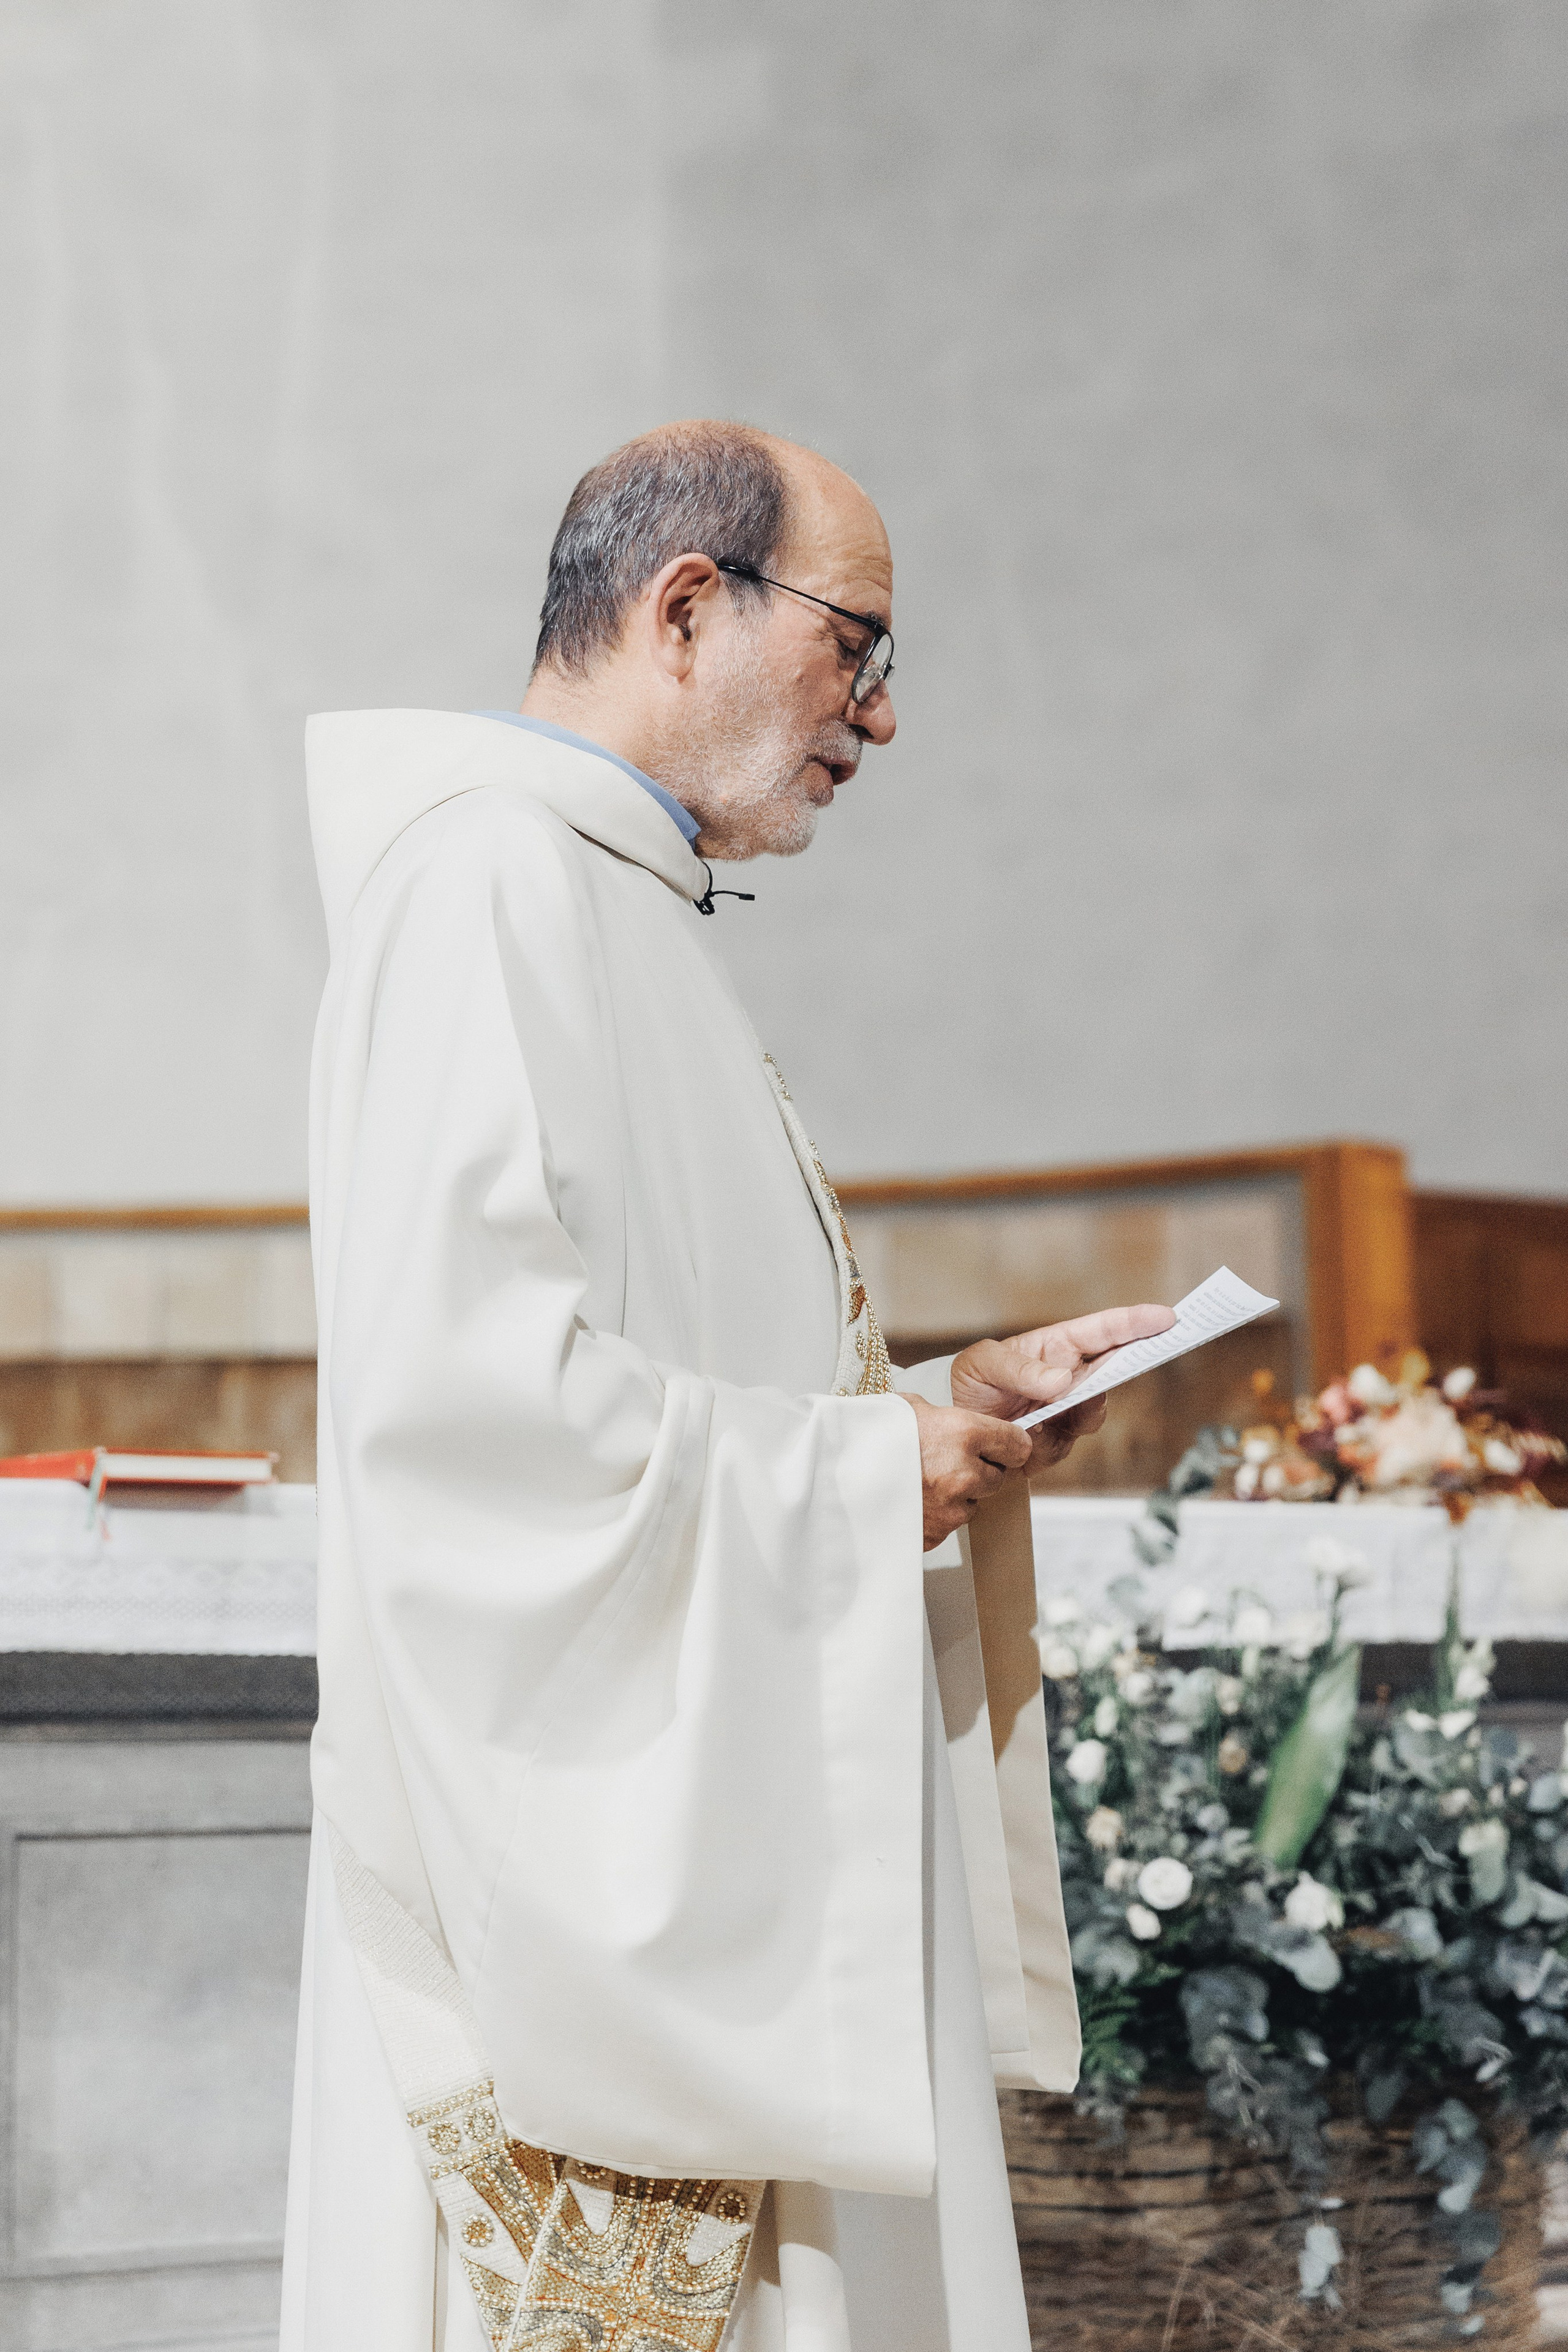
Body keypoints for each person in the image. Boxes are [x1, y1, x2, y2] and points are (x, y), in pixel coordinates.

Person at [279, 420, 1173, 2352]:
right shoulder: (486, 894)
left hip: (738, 1851)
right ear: (690, 605)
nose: (881, 714)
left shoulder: (619, 902)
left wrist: (938, 1403)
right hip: (587, 1961)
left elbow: (672, 1374)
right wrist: (865, 1485)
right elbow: (471, 1427)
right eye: (860, 644)